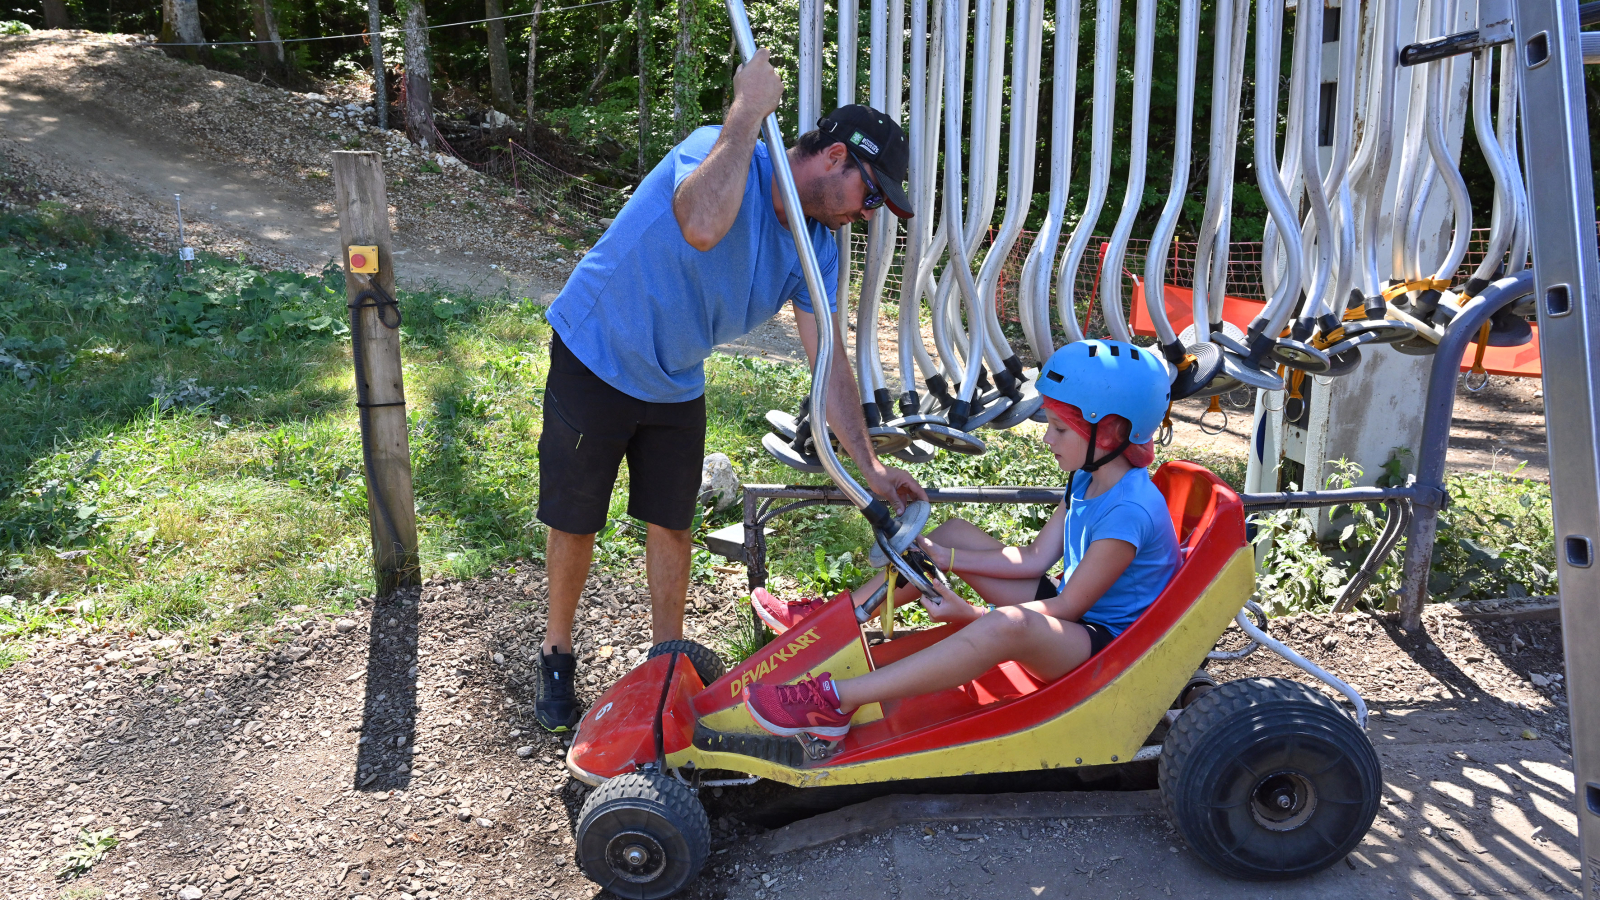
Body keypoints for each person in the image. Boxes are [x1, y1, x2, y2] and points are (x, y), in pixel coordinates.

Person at [531, 47, 929, 732]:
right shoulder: (720, 155)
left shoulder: (818, 248)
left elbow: (829, 362)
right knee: (576, 518)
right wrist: (745, 112)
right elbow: (702, 225)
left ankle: (664, 660)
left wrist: (868, 467)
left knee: (674, 520)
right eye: (872, 195)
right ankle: (557, 652)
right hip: (598, 348)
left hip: (675, 375)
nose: (868, 214)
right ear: (834, 158)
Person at [742, 339, 1181, 739]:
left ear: (1109, 433)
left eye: (1060, 429)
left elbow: (1068, 608)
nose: (1048, 438)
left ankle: (836, 701)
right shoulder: (1088, 477)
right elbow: (1032, 560)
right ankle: (835, 622)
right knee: (953, 534)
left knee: (1006, 624)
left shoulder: (1128, 513)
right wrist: (945, 556)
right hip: (1076, 622)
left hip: (1108, 649)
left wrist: (971, 614)